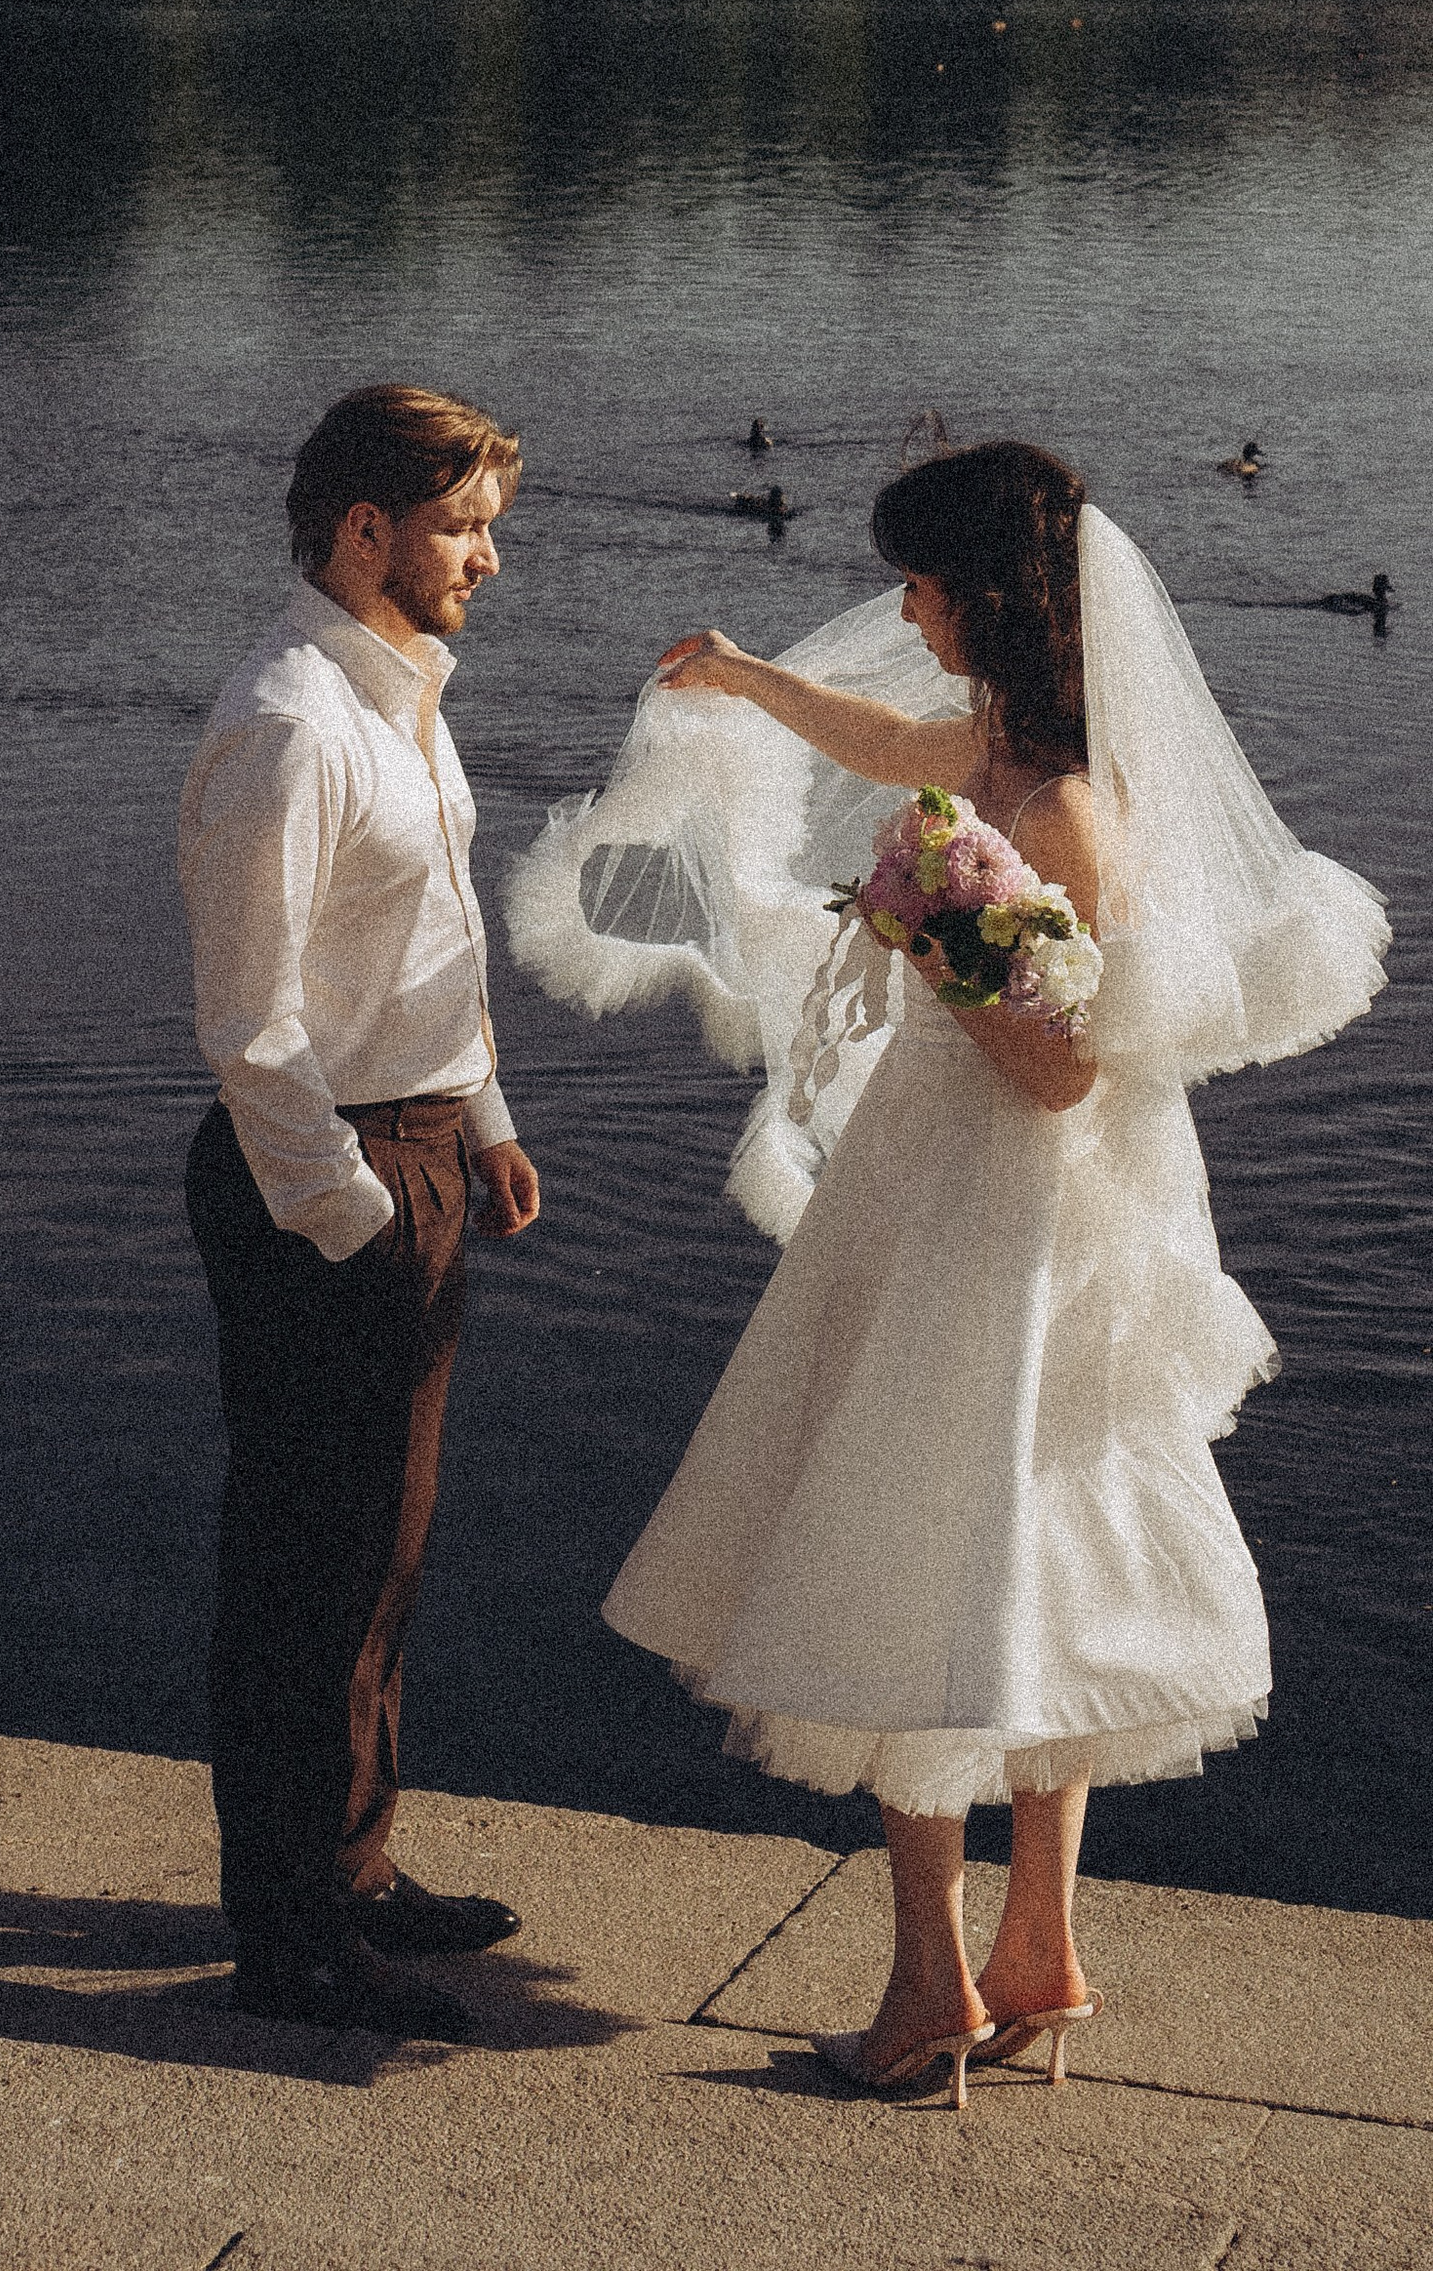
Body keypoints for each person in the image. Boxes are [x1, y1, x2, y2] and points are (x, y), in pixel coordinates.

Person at [506, 438, 1387, 2108]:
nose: (904, 607)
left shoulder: (1060, 807)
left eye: (922, 580)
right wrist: (754, 681)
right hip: (977, 1191)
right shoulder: (1008, 744)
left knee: (913, 1544)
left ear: (990, 592)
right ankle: (1038, 1947)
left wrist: (933, 928)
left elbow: (1063, 1070)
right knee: (1032, 1549)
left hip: (996, 1206)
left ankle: (929, 1995)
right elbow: (898, 744)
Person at [182, 384, 544, 2037]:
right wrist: (355, 1215)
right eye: (464, 524)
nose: (487, 554)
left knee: (382, 1554)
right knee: (305, 1571)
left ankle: (359, 1864)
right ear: (363, 530)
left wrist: (481, 1116)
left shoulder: (400, 696)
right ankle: (292, 1941)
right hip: (319, 1171)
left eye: (488, 523)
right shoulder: (290, 724)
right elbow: (253, 1031)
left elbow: (426, 936)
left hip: (414, 1145)